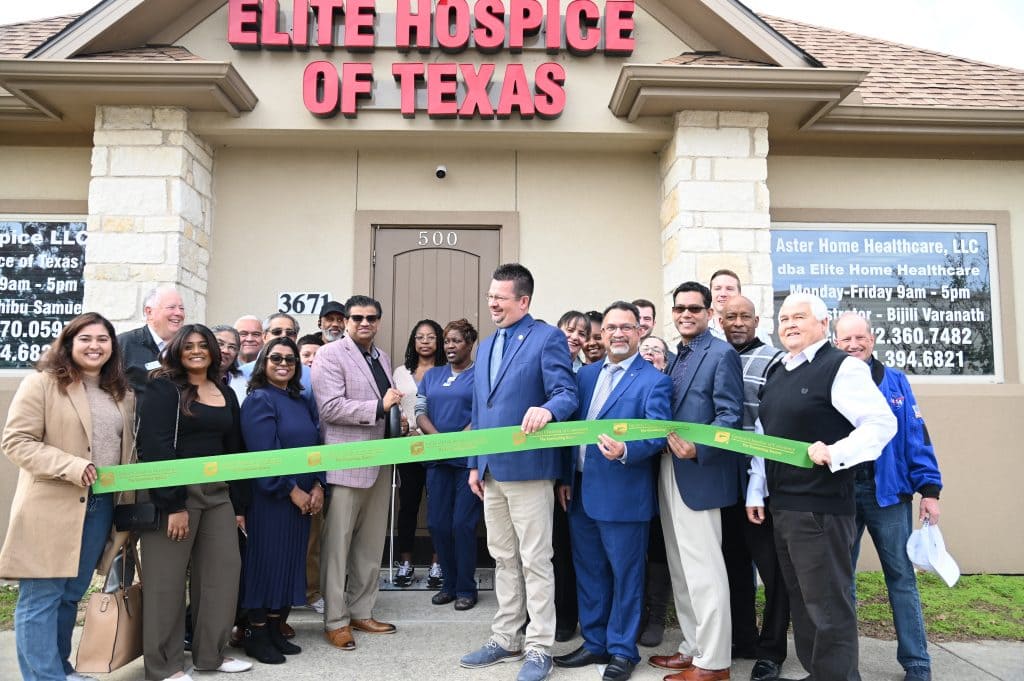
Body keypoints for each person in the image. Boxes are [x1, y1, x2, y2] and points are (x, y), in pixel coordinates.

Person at [746, 293, 897, 681]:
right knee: (804, 603)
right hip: (783, 505)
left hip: (822, 509)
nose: (790, 324)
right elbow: (766, 436)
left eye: (799, 317)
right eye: (784, 318)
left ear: (823, 323)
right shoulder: (779, 371)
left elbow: (882, 424)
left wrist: (835, 452)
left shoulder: (841, 367)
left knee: (828, 606)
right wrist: (756, 490)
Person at [0, 312, 135, 681]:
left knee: (70, 595)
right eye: (86, 339)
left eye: (103, 339)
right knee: (41, 597)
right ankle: (44, 677)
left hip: (100, 505)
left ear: (113, 347)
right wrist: (71, 465)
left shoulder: (121, 393)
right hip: (51, 505)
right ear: (69, 343)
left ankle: (60, 668)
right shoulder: (42, 383)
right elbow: (16, 442)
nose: (95, 346)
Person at [460, 263, 578, 681]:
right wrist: (475, 463)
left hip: (530, 470)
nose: (492, 302)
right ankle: (506, 637)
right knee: (502, 558)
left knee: (535, 560)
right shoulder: (489, 344)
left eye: (500, 297)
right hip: (491, 471)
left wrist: (548, 409)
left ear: (523, 300)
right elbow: (480, 407)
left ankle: (540, 646)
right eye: (491, 295)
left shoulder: (547, 338)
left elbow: (567, 392)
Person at [553, 301, 673, 681]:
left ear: (639, 332)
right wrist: (565, 477)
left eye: (625, 327)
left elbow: (658, 433)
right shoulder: (585, 376)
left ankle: (622, 650)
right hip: (581, 491)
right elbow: (571, 434)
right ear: (600, 335)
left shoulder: (654, 380)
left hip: (623, 493)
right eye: (609, 328)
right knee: (589, 572)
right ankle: (595, 642)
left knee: (626, 575)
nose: (617, 334)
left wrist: (627, 451)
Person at [137, 324, 252, 680]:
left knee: (222, 575)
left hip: (218, 496)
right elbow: (154, 447)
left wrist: (239, 506)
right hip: (172, 496)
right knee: (166, 584)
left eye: (204, 345)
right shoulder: (162, 387)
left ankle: (210, 656)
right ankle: (164, 666)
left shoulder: (224, 391)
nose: (197, 351)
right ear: (177, 350)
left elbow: (235, 450)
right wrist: (173, 505)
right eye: (189, 345)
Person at [833, 313, 942, 681]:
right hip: (842, 494)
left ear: (872, 339)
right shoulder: (830, 381)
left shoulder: (895, 381)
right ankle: (846, 666)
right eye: (845, 339)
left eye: (859, 337)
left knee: (901, 577)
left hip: (889, 494)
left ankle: (917, 663)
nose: (853, 345)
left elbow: (916, 435)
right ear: (835, 342)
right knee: (841, 581)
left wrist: (930, 489)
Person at [649, 281, 743, 681]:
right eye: (679, 308)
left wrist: (699, 449)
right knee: (682, 569)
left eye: (694, 308)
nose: (685, 314)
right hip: (669, 468)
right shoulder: (675, 357)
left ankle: (715, 662)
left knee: (704, 570)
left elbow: (729, 417)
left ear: (709, 313)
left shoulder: (721, 354)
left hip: (700, 472)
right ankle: (693, 647)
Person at [311, 295, 403, 651]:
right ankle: (335, 620)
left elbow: (387, 408)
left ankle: (362, 610)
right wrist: (378, 407)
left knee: (369, 545)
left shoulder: (382, 357)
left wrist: (398, 420)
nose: (365, 323)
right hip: (346, 464)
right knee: (337, 547)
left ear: (379, 321)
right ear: (346, 321)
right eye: (358, 318)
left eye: (371, 318)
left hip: (381, 461)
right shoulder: (330, 355)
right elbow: (331, 409)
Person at [239, 337, 326, 664]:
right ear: (264, 362)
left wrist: (318, 484)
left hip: (303, 500)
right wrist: (293, 491)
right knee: (266, 566)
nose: (284, 363)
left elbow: (315, 446)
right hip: (272, 499)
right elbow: (265, 455)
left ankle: (276, 629)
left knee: (289, 565)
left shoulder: (300, 399)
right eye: (276, 358)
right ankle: (255, 634)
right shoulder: (259, 400)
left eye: (290, 359)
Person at [718, 296, 789, 681]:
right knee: (732, 566)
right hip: (723, 481)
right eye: (731, 316)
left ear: (757, 320)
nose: (739, 323)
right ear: (720, 320)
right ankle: (742, 638)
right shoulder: (715, 356)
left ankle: (771, 650)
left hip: (760, 483)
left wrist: (759, 484)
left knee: (773, 570)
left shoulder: (773, 361)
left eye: (746, 316)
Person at [417, 319, 482, 610]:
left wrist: (458, 441)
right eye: (448, 341)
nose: (450, 346)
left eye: (457, 341)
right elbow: (420, 411)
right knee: (438, 524)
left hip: (468, 462)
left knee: (462, 525)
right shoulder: (432, 376)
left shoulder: (481, 375)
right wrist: (441, 440)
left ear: (470, 344)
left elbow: (483, 414)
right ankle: (449, 584)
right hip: (437, 460)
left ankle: (467, 588)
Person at [392, 319, 446, 588]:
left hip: (437, 445)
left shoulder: (447, 371)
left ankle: (438, 564)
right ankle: (405, 563)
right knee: (409, 506)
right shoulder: (400, 372)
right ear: (413, 341)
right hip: (408, 445)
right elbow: (395, 407)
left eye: (431, 337)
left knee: (437, 506)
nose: (425, 341)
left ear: (439, 341)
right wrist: (402, 426)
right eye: (420, 337)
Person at [553, 309, 592, 639]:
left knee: (565, 549)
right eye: (570, 329)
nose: (575, 336)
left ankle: (567, 617)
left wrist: (565, 478)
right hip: (539, 468)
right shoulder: (546, 365)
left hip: (569, 474)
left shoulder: (587, 375)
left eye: (582, 333)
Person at [118, 285, 185, 402]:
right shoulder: (124, 344)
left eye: (182, 308)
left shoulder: (188, 347)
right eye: (171, 307)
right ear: (149, 312)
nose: (178, 313)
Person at [240, 313, 313, 400]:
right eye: (276, 332)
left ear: (295, 337)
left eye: (290, 333)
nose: (283, 336)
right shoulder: (241, 373)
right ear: (264, 336)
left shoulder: (309, 374)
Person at [213, 324, 247, 404]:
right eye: (220, 344)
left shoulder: (243, 383)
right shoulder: (193, 378)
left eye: (232, 347)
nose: (225, 350)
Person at [708, 269, 741, 337]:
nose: (723, 294)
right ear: (710, 294)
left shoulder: (756, 333)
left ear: (739, 294)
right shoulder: (698, 332)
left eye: (729, 289)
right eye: (717, 288)